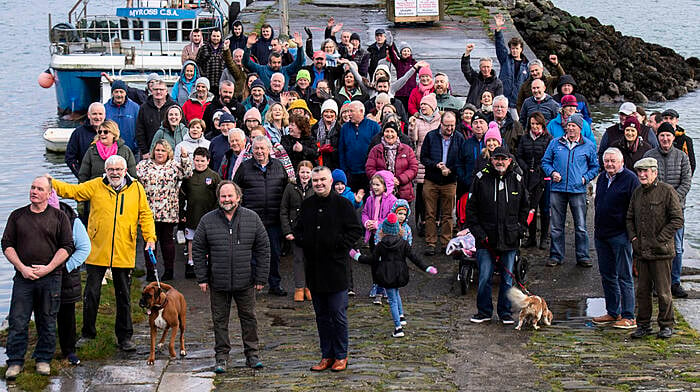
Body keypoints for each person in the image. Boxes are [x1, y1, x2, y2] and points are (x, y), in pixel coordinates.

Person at [51, 155, 156, 352]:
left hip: (124, 249)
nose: (114, 173)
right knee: (91, 293)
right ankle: (88, 333)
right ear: (105, 171)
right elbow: (73, 192)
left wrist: (150, 237)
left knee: (123, 295)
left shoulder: (136, 189)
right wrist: (51, 183)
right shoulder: (96, 185)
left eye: (118, 169)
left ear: (125, 171)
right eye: (111, 169)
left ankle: (124, 337)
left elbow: (145, 214)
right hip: (97, 249)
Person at [192, 180, 270, 372]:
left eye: (230, 196)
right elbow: (199, 250)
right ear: (218, 198)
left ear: (238, 197)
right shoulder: (207, 220)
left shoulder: (252, 218)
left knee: (249, 318)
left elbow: (263, 248)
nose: (227, 200)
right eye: (223, 196)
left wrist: (261, 278)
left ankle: (252, 355)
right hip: (218, 281)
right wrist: (202, 278)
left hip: (246, 281)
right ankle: (221, 358)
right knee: (219, 320)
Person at [1, 177, 74, 380]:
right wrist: (22, 268)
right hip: (23, 277)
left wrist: (48, 268)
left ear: (49, 193)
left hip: (50, 278)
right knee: (18, 320)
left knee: (47, 320)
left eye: (39, 189)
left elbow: (67, 246)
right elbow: (6, 244)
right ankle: (15, 362)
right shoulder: (17, 216)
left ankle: (43, 359)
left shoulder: (60, 217)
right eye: (32, 187)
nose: (34, 191)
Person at [293, 166, 363, 372]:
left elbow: (355, 230)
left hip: (336, 269)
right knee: (321, 316)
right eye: (315, 181)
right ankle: (327, 355)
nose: (319, 184)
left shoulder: (343, 204)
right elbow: (298, 230)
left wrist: (338, 245)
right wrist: (305, 242)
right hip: (314, 269)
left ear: (330, 181)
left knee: (337, 314)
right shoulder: (307, 205)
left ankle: (341, 355)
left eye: (323, 180)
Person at [466, 146, 529, 324]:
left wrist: (520, 228)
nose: (500, 162)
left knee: (507, 279)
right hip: (486, 239)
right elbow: (471, 210)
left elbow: (525, 207)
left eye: (503, 159)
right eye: (496, 158)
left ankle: (505, 312)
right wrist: (479, 233)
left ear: (509, 160)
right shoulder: (480, 179)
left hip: (510, 238)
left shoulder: (517, 179)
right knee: (484, 277)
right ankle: (484, 312)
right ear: (491, 160)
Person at [351, 213, 438, 337]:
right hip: (400, 274)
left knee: (392, 300)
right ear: (398, 229)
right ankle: (401, 317)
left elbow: (372, 259)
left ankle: (398, 328)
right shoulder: (403, 244)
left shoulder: (380, 245)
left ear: (384, 230)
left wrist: (357, 256)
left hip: (387, 275)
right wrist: (426, 268)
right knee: (396, 294)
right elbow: (414, 258)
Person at [626, 157, 683, 339]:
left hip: (661, 253)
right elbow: (629, 218)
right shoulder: (637, 193)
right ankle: (643, 325)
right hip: (642, 251)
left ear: (655, 172)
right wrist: (634, 238)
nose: (642, 175)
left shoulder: (667, 191)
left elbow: (677, 220)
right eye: (640, 172)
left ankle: (666, 325)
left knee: (664, 292)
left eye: (646, 171)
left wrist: (660, 239)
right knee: (642, 292)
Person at [591, 148, 640, 330]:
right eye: (607, 161)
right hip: (601, 234)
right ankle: (613, 311)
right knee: (607, 275)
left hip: (620, 235)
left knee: (624, 276)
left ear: (621, 162)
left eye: (613, 161)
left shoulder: (630, 179)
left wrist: (631, 233)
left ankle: (629, 315)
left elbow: (635, 208)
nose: (610, 164)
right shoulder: (603, 177)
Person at [541, 113, 599, 267]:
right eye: (568, 125)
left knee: (580, 225)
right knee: (556, 225)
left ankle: (583, 256)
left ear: (580, 128)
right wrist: (552, 173)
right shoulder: (555, 143)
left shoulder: (588, 145)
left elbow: (595, 167)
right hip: (557, 189)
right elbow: (545, 162)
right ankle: (556, 255)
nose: (570, 128)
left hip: (578, 190)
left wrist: (585, 179)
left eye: (574, 126)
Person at [234, 136, 289, 296]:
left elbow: (286, 191)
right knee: (251, 255)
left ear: (269, 150)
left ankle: (275, 284)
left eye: (262, 148)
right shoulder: (244, 167)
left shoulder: (279, 166)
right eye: (256, 148)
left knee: (274, 253)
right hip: (251, 220)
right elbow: (236, 191)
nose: (259, 151)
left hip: (274, 219)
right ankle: (251, 286)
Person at [643, 122, 692, 298]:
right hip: (654, 210)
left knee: (677, 247)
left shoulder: (682, 157)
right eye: (662, 135)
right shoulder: (650, 156)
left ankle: (675, 282)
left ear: (673, 137)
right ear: (658, 137)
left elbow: (686, 182)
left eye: (668, 135)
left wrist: (672, 201)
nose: (665, 138)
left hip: (676, 210)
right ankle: (657, 283)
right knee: (656, 246)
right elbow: (646, 181)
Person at [136, 140, 192, 281]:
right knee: (149, 242)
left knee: (167, 242)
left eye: (163, 150)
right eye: (158, 150)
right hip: (148, 211)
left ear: (168, 153)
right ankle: (150, 272)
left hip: (168, 211)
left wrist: (185, 157)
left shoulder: (174, 166)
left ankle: (169, 271)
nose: (160, 153)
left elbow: (188, 173)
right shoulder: (144, 165)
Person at [48, 193, 89, 367]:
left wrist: (67, 267)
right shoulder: (30, 216)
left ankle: (69, 350)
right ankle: (44, 351)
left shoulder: (72, 220)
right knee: (44, 313)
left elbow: (84, 248)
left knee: (66, 313)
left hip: (65, 275)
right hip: (40, 274)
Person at [420, 111, 467, 256]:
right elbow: (423, 158)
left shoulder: (459, 138)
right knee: (430, 213)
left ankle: (446, 242)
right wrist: (436, 165)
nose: (450, 129)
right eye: (447, 126)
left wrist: (450, 170)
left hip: (450, 181)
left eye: (452, 125)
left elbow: (461, 160)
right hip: (431, 179)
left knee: (447, 214)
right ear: (441, 124)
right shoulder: (431, 136)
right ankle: (431, 242)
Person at [180, 147, 220, 278]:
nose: (199, 163)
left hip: (209, 215)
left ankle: (208, 263)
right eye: (197, 160)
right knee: (191, 240)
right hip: (192, 214)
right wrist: (182, 214)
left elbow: (219, 196)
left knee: (208, 240)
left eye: (202, 160)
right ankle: (191, 262)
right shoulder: (188, 176)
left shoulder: (214, 176)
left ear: (208, 161)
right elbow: (182, 195)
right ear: (193, 160)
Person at [516, 112, 552, 249]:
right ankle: (531, 237)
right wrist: (526, 168)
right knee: (530, 206)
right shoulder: (525, 138)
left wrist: (539, 168)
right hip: (528, 177)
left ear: (542, 124)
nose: (535, 126)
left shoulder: (548, 138)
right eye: (532, 124)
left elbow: (550, 157)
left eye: (537, 124)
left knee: (544, 208)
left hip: (543, 177)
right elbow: (519, 155)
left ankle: (544, 238)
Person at [281, 161, 315, 302]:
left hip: (313, 231)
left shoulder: (316, 186)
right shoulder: (291, 187)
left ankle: (310, 287)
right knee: (298, 259)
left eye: (308, 172)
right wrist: (287, 230)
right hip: (295, 230)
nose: (305, 175)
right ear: (298, 172)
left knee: (311, 260)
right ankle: (300, 287)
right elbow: (283, 210)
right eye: (302, 172)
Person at [366, 121, 418, 202]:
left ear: (397, 134)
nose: (389, 134)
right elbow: (369, 168)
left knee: (400, 214)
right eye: (387, 131)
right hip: (382, 192)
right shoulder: (375, 150)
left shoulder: (407, 149)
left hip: (403, 192)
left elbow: (413, 168)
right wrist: (383, 180)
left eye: (392, 131)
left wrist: (399, 180)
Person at [598, 102, 659, 167]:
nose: (624, 117)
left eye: (627, 115)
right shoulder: (610, 132)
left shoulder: (647, 131)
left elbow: (656, 151)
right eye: (621, 114)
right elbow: (601, 153)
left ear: (635, 114)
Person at [338, 101, 381, 193]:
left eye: (351, 111)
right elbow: (341, 149)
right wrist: (344, 169)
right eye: (348, 111)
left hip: (368, 173)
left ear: (361, 111)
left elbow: (379, 149)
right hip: (350, 173)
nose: (348, 114)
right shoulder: (345, 128)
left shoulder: (374, 126)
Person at [493, 14, 529, 121]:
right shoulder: (505, 60)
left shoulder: (527, 66)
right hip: (503, 101)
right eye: (512, 48)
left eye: (516, 48)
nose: (514, 51)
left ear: (521, 49)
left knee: (517, 127)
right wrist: (498, 29)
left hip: (517, 104)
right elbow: (500, 46)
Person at [135, 80, 176, 160]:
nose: (158, 92)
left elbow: (180, 129)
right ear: (151, 91)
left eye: (161, 89)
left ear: (166, 92)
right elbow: (140, 131)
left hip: (171, 153)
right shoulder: (144, 108)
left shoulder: (174, 107)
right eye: (156, 89)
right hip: (149, 154)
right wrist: (144, 152)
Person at [66, 102, 105, 179]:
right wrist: (81, 175)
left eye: (100, 114)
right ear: (88, 115)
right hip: (86, 181)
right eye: (94, 114)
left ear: (104, 115)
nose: (97, 117)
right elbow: (70, 158)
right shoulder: (78, 133)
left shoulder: (111, 132)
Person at [105, 80, 140, 154]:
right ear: (112, 93)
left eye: (121, 92)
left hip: (131, 151)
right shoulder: (105, 108)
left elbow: (140, 128)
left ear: (125, 93)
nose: (119, 94)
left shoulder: (135, 108)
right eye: (116, 92)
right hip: (110, 151)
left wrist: (136, 145)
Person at [662, 108, 696, 174]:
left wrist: (686, 179)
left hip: (679, 175)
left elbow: (691, 163)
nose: (668, 121)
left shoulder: (685, 139)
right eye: (666, 118)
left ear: (676, 120)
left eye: (671, 118)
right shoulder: (657, 136)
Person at [312, 99, 341, 169]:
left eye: (331, 112)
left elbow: (341, 148)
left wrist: (333, 150)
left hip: (334, 164)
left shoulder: (340, 129)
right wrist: (319, 149)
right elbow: (311, 145)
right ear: (322, 113)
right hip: (318, 162)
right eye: (326, 111)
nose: (329, 114)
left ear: (335, 114)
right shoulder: (315, 128)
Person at [195, 28, 225, 95]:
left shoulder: (224, 49)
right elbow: (197, 64)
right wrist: (202, 74)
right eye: (214, 36)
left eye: (217, 36)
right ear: (210, 36)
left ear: (220, 37)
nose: (215, 38)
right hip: (207, 82)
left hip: (220, 82)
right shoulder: (203, 48)